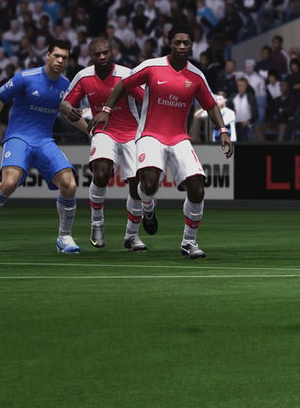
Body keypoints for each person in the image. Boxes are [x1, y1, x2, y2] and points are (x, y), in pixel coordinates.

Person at [92, 30, 234, 260]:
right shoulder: (151, 66)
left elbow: (210, 105)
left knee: (197, 188)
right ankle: (148, 208)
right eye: (177, 42)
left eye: (186, 43)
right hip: (150, 134)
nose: (182, 46)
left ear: (192, 45)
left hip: (179, 138)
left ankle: (189, 242)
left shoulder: (196, 75)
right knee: (148, 184)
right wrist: (107, 110)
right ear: (169, 43)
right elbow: (123, 85)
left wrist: (224, 131)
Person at [0, 40, 84, 254]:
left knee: (69, 184)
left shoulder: (65, 85)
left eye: (64, 57)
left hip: (44, 140)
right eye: (57, 55)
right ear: (48, 55)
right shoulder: (25, 77)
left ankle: (64, 237)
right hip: (18, 137)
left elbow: (69, 112)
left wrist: (91, 132)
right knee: (9, 183)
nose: (60, 60)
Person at [60, 38, 148, 252]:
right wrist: (69, 109)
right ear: (90, 56)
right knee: (101, 171)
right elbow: (65, 103)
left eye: (105, 53)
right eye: (97, 54)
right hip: (103, 131)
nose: (102, 57)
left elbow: (147, 99)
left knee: (137, 184)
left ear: (111, 52)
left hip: (131, 132)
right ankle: (97, 224)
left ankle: (132, 235)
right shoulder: (84, 76)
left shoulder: (126, 74)